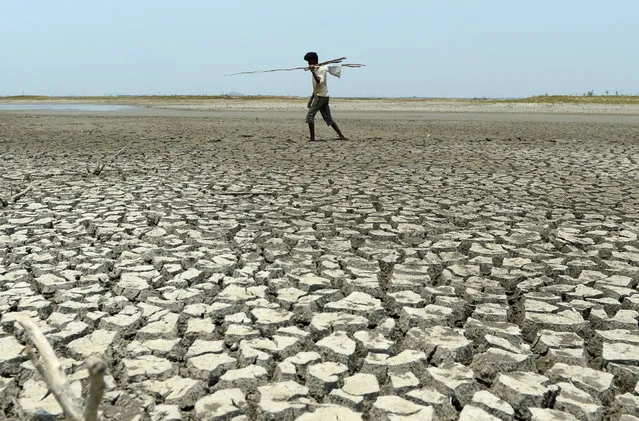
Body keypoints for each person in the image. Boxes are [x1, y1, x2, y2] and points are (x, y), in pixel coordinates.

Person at [304, 52, 347, 141]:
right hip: (321, 95)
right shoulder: (316, 69)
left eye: (309, 61)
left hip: (321, 97)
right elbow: (317, 87)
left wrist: (312, 72)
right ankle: (341, 136)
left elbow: (319, 82)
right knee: (328, 118)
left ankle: (312, 138)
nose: (308, 64)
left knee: (310, 116)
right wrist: (311, 98)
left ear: (314, 60)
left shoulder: (321, 69)